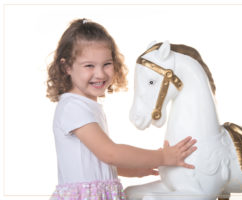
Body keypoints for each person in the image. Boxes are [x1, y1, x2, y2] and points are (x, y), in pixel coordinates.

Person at [46, 18, 197, 200]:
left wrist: (133, 169)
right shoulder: (72, 107)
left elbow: (95, 162)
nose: (100, 73)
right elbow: (110, 153)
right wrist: (162, 157)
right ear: (67, 67)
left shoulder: (86, 106)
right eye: (89, 66)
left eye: (107, 64)